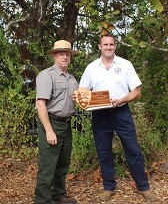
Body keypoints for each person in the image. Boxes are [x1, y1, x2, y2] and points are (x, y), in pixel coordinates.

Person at [79, 34, 157, 202]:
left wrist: (122, 100)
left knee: (133, 149)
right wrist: (79, 98)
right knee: (104, 151)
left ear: (115, 46)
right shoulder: (91, 68)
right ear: (99, 47)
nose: (108, 47)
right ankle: (108, 186)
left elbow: (137, 91)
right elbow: (83, 92)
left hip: (121, 112)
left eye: (111, 44)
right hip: (100, 115)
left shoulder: (125, 65)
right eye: (105, 44)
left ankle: (143, 187)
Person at [34, 40, 78, 204]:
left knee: (62, 163)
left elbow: (80, 101)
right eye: (61, 54)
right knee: (48, 165)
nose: (65, 57)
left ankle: (58, 195)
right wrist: (49, 130)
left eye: (67, 54)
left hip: (66, 125)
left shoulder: (72, 79)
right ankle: (42, 200)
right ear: (54, 55)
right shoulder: (47, 75)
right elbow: (40, 104)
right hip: (51, 123)